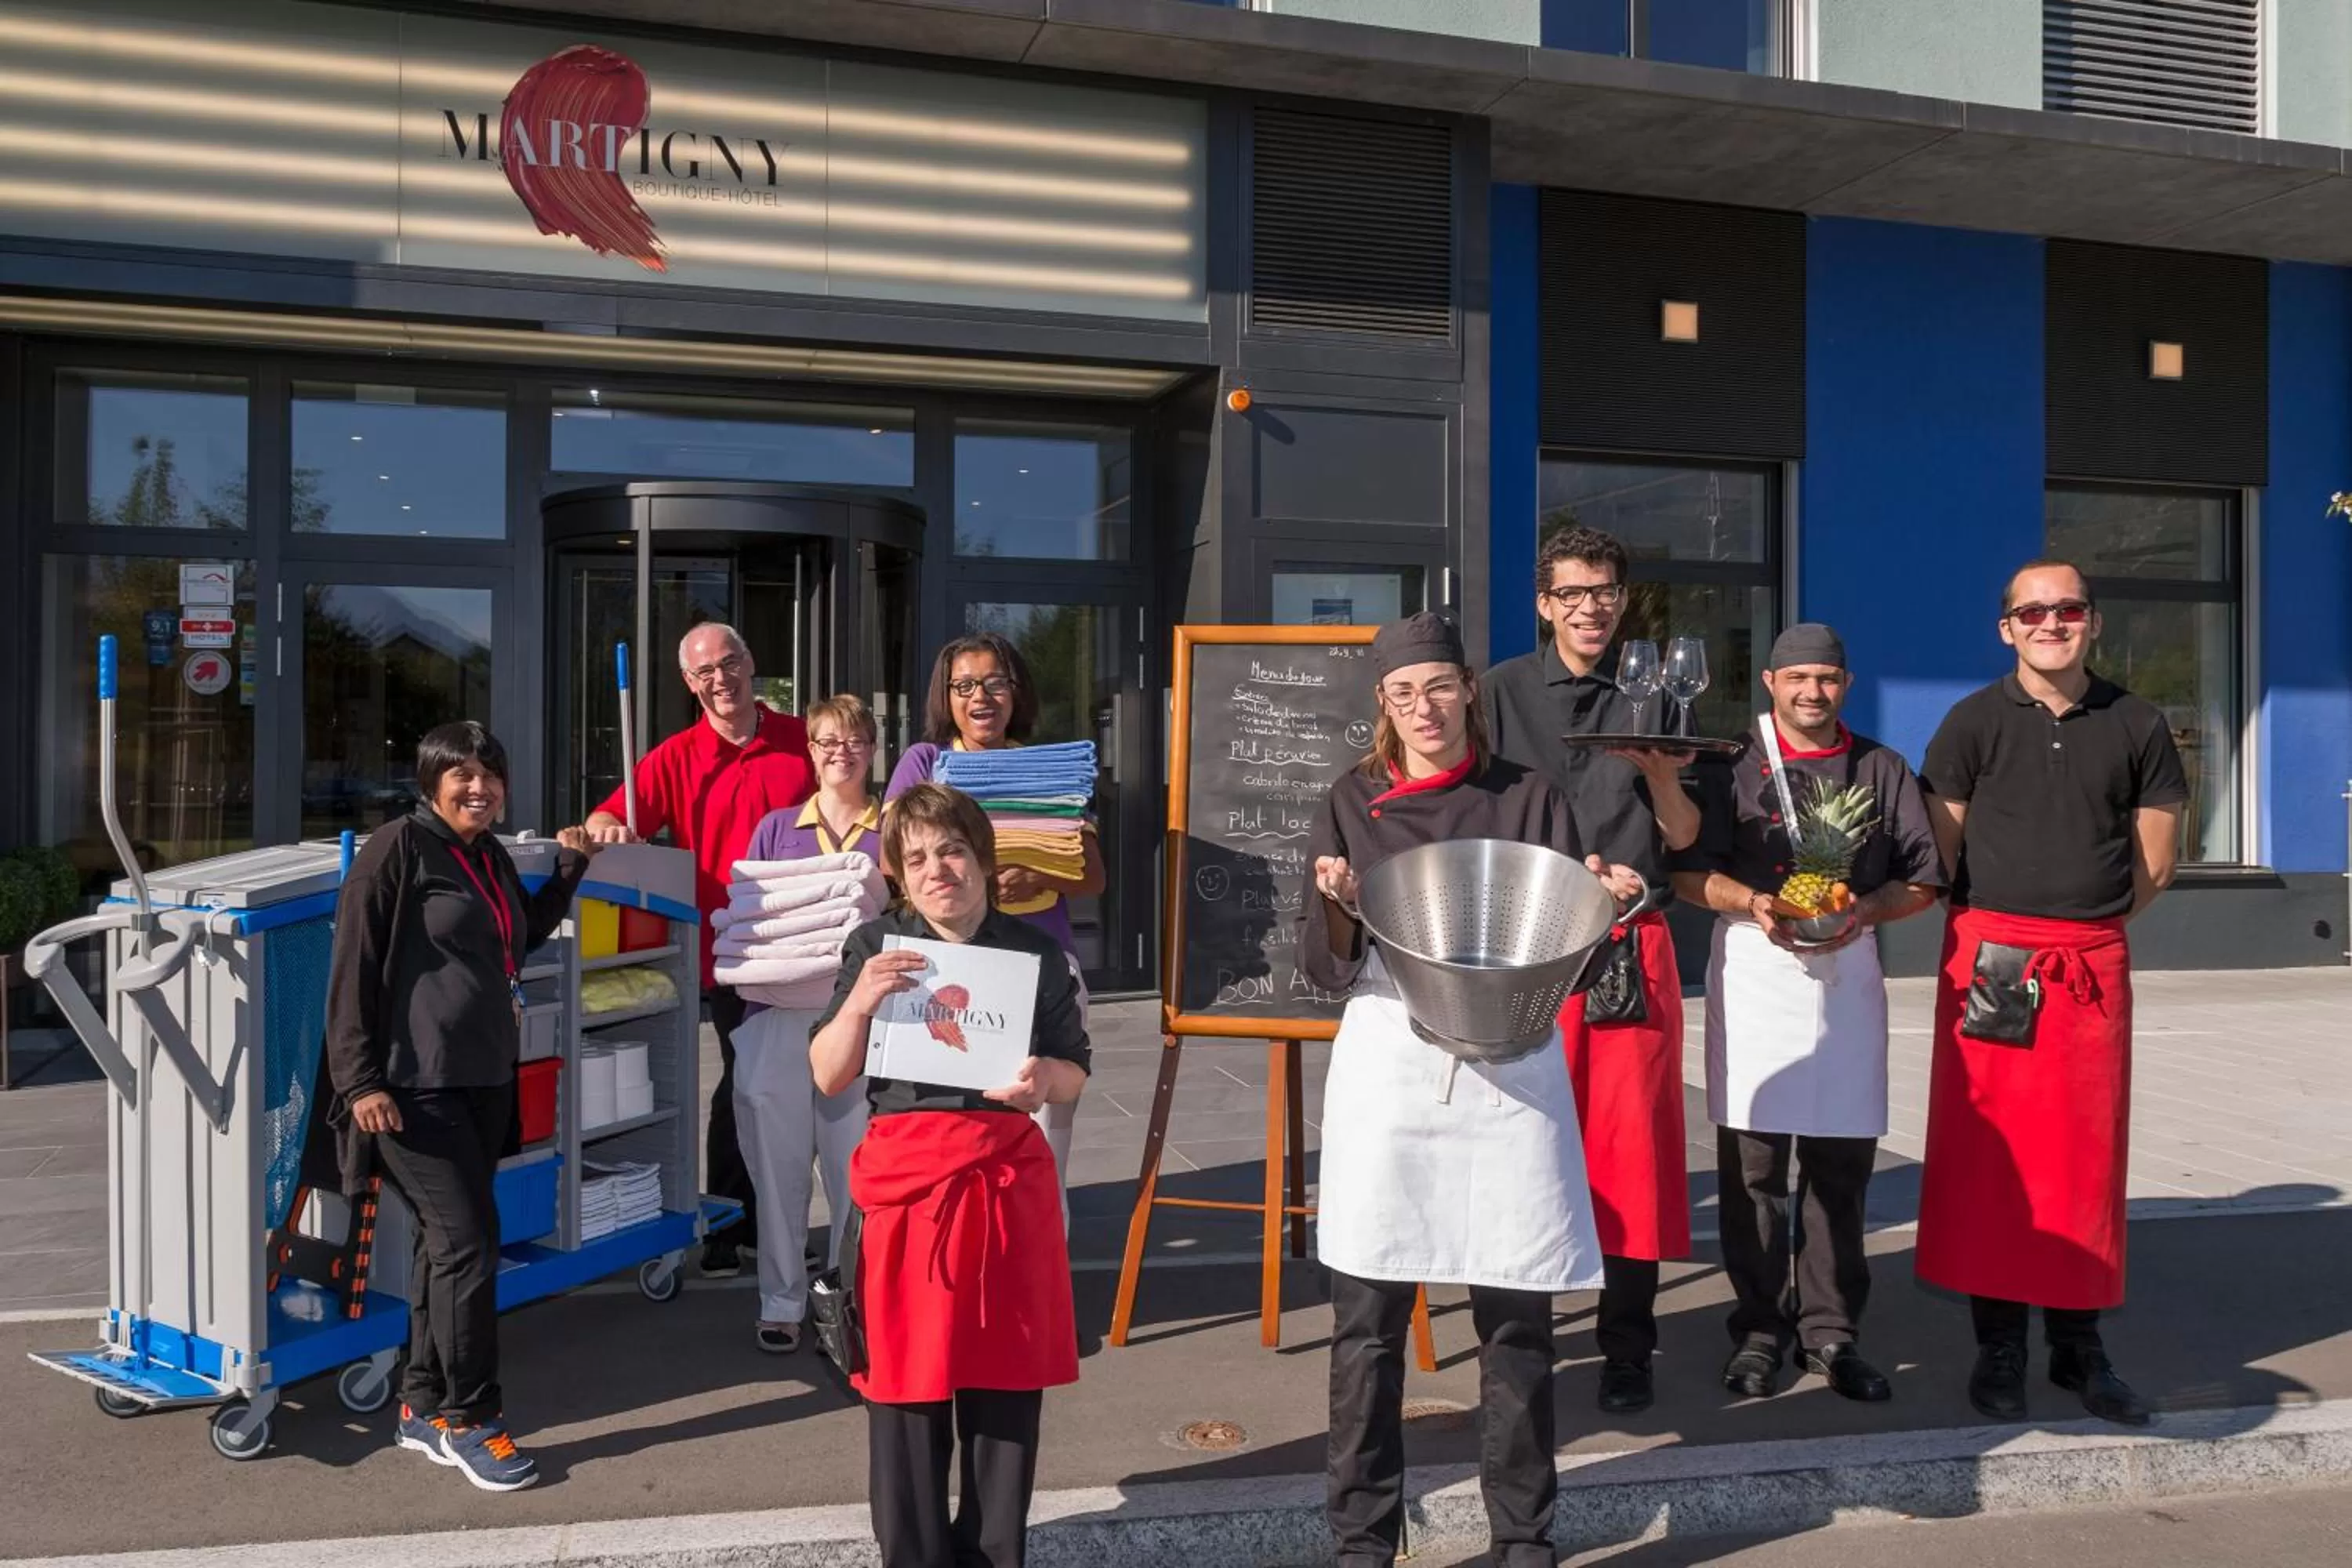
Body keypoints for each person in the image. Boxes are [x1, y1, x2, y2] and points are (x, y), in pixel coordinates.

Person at [1305, 612, 1643, 1568]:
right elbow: (1325, 968)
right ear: (1384, 702)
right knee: (1367, 1323)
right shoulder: (1352, 799)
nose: (1425, 708)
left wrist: (1604, 909)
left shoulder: (1529, 797)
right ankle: (1363, 1541)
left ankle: (1525, 1537)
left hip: (1512, 1071)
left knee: (1518, 1317)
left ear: (1468, 691)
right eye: (1404, 692)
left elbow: (1566, 959)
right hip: (1392, 1067)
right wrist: (1338, 905)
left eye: (1440, 687)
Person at [1914, 561, 2185, 1428]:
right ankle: (1999, 1345)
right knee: (1991, 1161)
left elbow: (2155, 862)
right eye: (2032, 612)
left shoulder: (2138, 722)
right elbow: (1941, 852)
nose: (2051, 623)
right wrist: (2015, 932)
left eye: (2068, 609)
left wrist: (2079, 923)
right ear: (2007, 629)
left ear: (2093, 621)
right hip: (1992, 959)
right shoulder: (1971, 721)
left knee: (2082, 1159)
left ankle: (2079, 1345)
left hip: (2088, 966)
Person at [810, 782, 1088, 1568]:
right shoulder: (875, 945)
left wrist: (1043, 1080)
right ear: (900, 874)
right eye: (917, 858)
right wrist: (860, 1004)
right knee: (905, 1394)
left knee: (1005, 1396)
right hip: (906, 1196)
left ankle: (997, 1555)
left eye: (953, 850)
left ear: (983, 859)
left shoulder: (1034, 953)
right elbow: (828, 1074)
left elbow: (1074, 1071)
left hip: (1005, 1192)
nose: (937, 870)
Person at [1669, 623, 1942, 1403]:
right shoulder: (1731, 765)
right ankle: (1758, 1330)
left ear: (1846, 685)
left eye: (1826, 678)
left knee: (1840, 1167)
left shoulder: (1881, 768)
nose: (1812, 692)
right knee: (1754, 1169)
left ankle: (1831, 1331)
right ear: (1770, 682)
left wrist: (1865, 910)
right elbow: (1688, 873)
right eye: (1798, 678)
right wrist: (1754, 901)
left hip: (1847, 971)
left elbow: (1923, 878)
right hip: (1756, 971)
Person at [325, 721, 599, 1493]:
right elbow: (351, 972)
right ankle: (472, 1419)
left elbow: (519, 936)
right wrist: (361, 1083)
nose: (480, 788)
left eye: (490, 774)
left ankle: (420, 1405)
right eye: (463, 775)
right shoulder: (395, 852)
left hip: (482, 1081)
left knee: (442, 1247)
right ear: (430, 782)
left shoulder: (486, 855)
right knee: (471, 1245)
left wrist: (570, 870)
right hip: (411, 1091)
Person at [1481, 525, 1700, 1414]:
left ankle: (1628, 1348)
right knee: (1518, 1144)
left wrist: (1661, 775)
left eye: (1604, 590)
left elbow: (1684, 835)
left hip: (1627, 947)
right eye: (1572, 593)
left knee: (1630, 1155)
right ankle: (1519, 1342)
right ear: (1545, 604)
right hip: (1525, 950)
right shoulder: (1498, 692)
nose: (1590, 608)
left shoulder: (1656, 695)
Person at [584, 622, 815, 1278]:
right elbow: (607, 816)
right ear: (690, 683)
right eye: (705, 671)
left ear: (751, 661)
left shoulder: (803, 741)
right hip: (732, 952)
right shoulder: (677, 757)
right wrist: (609, 828)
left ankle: (775, 1225)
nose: (721, 679)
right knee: (747, 1084)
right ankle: (734, 1226)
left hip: (808, 942)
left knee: (804, 1087)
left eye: (729, 662)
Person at [885, 632, 1102, 1190]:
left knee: (1046, 1129)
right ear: (945, 696)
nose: (980, 697)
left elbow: (1094, 876)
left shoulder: (1051, 769)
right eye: (963, 685)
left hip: (1043, 966)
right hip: (951, 972)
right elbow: (889, 860)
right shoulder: (926, 762)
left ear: (1016, 691)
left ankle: (1046, 1237)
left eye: (995, 682)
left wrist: (1040, 876)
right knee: (951, 1124)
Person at [724, 694, 889, 1353]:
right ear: (811, 751)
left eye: (854, 740)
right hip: (776, 1017)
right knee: (777, 1169)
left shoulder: (892, 828)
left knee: (857, 1171)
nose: (841, 752)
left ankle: (850, 1303)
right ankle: (782, 1302)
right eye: (827, 741)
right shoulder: (775, 829)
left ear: (872, 749)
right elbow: (754, 923)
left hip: (861, 1020)